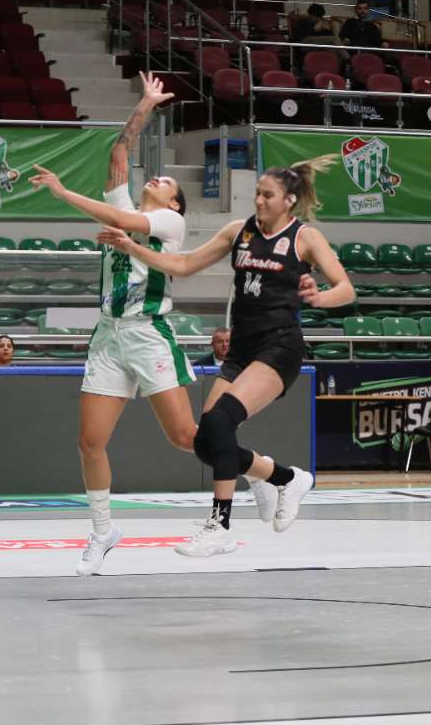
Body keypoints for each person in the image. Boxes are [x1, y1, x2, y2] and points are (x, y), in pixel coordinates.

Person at [98, 155, 356, 557]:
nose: (259, 201)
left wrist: (320, 296)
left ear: (288, 200)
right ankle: (283, 477)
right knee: (206, 440)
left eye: (267, 195)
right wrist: (132, 247)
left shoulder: (305, 237)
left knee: (219, 421)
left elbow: (346, 288)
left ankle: (219, 524)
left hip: (280, 346)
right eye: (256, 193)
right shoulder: (239, 231)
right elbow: (182, 265)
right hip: (241, 348)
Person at [28, 71, 198, 576]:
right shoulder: (126, 205)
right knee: (90, 442)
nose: (157, 178)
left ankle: (261, 472)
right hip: (108, 335)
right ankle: (103, 531)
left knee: (185, 438)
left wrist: (61, 192)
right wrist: (144, 105)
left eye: (168, 182)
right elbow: (119, 155)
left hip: (149, 335)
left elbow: (122, 223)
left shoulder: (171, 224)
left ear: (174, 204)